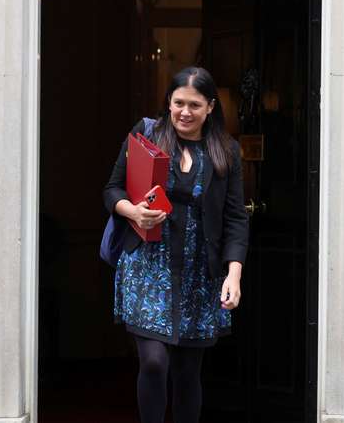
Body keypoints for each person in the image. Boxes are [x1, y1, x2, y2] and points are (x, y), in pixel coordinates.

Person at [103, 66, 249, 423]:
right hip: (148, 266)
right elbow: (112, 189)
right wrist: (133, 212)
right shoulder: (146, 134)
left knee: (187, 372)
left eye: (195, 105)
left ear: (210, 107)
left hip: (200, 273)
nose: (185, 112)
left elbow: (235, 218)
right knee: (154, 363)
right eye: (178, 102)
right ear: (168, 102)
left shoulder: (226, 151)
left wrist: (234, 275)